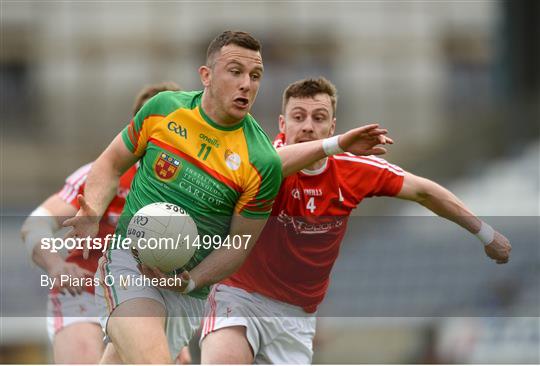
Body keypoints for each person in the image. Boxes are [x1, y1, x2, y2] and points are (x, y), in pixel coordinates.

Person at [63, 30, 392, 364]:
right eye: (235, 72)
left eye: (255, 76)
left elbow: (238, 244)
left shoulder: (261, 160)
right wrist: (91, 212)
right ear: (206, 75)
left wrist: (191, 281)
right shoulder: (164, 110)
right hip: (130, 264)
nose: (247, 84)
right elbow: (110, 163)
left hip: (186, 296)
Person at [199, 77, 512, 364]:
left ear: (332, 125)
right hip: (239, 296)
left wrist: (485, 233)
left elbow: (425, 192)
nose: (307, 126)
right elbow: (265, 166)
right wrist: (335, 145)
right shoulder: (265, 158)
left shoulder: (353, 169)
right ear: (282, 123)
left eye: (318, 118)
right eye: (298, 117)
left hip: (296, 316)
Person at [20, 81, 181, 364]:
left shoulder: (187, 189)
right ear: (137, 129)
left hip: (142, 303)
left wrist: (179, 337)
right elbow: (35, 224)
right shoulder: (101, 175)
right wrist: (56, 265)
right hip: (83, 292)